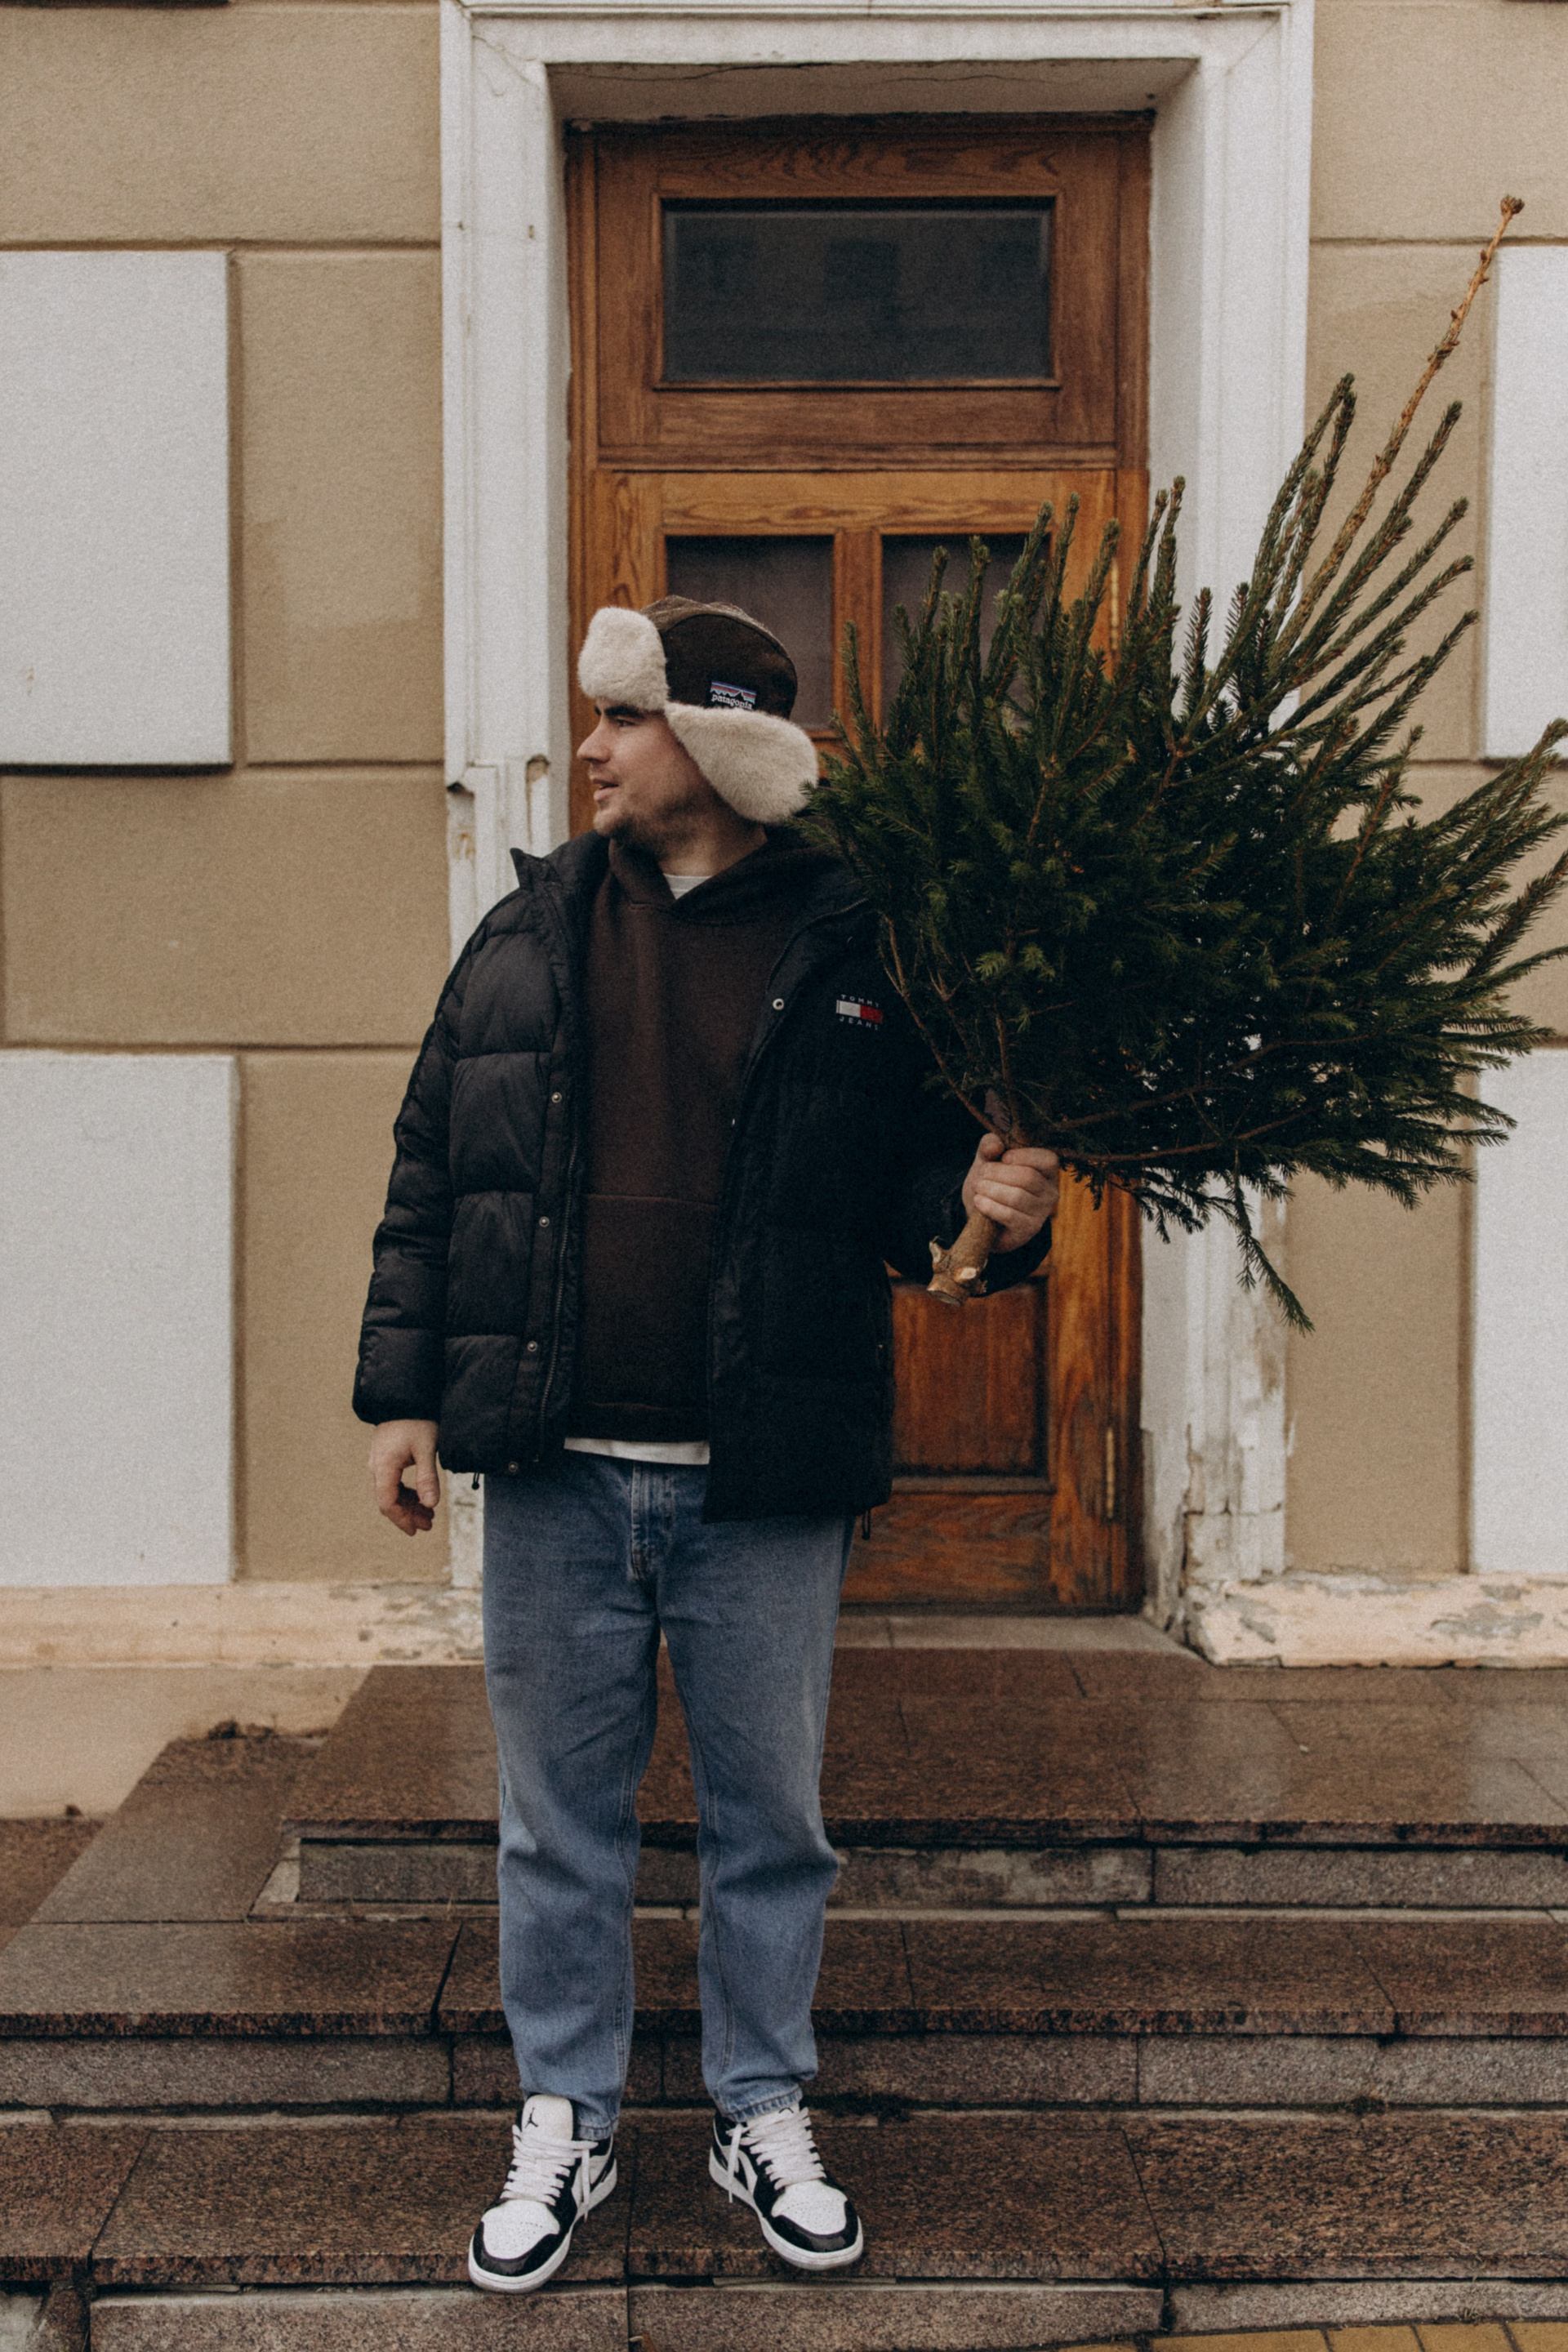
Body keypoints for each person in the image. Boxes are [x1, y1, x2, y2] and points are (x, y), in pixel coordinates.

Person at [354, 596, 1058, 2293]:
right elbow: (436, 1168)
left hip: (762, 1477)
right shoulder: (528, 929)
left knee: (769, 1823)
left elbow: (921, 1205)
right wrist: (402, 1397)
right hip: (554, 1467)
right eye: (597, 719)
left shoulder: (861, 951)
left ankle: (759, 2108)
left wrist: (991, 1217)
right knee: (559, 1827)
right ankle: (568, 2114)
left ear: (719, 744)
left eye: (628, 719)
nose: (592, 749)